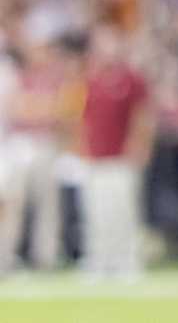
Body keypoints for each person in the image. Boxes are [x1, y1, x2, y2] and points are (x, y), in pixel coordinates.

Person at [77, 24, 152, 277]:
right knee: (97, 211)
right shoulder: (90, 79)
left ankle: (127, 260)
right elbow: (80, 117)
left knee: (124, 209)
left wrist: (139, 146)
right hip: (95, 155)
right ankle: (99, 259)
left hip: (122, 155)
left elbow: (143, 116)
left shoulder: (131, 79)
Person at [0, 23, 73, 272]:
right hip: (20, 146)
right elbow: (16, 109)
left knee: (48, 204)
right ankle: (6, 256)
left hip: (45, 143)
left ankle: (46, 256)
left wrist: (36, 109)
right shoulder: (20, 75)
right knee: (13, 203)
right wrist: (39, 109)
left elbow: (59, 112)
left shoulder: (56, 78)